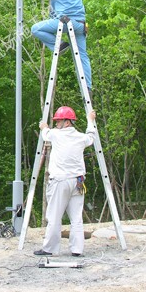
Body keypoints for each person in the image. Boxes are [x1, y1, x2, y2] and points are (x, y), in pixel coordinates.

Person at [34, 106, 97, 257]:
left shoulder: (55, 135)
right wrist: (91, 120)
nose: (56, 123)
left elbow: (46, 134)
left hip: (60, 181)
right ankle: (77, 249)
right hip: (77, 182)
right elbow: (91, 136)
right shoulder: (80, 137)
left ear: (67, 122)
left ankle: (49, 248)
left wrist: (43, 126)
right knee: (76, 217)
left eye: (59, 121)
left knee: (54, 216)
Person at [31, 0, 93, 92]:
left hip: (65, 22)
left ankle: (58, 45)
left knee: (35, 29)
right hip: (80, 24)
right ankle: (87, 87)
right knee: (82, 56)